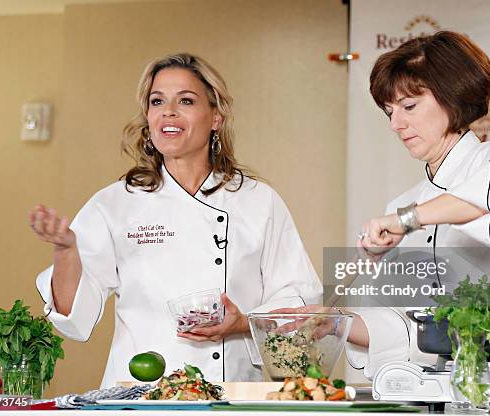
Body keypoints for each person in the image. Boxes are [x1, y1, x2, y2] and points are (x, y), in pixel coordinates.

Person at [29, 53, 322, 388]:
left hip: (236, 395)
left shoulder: (258, 201)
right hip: (142, 396)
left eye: (185, 100)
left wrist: (243, 323)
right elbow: (74, 319)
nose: (168, 111)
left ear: (216, 117)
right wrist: (66, 251)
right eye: (157, 101)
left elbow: (300, 300)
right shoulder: (115, 204)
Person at [278, 31, 490, 379]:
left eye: (409, 107)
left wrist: (408, 220)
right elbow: (401, 329)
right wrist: (334, 322)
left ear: (454, 98)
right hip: (427, 393)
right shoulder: (403, 204)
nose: (396, 124)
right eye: (389, 112)